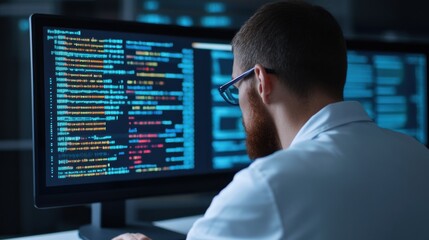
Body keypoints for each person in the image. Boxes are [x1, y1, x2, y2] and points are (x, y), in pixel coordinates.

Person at [114, 0, 429, 239]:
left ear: (261, 81)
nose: (237, 104)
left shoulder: (268, 185)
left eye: (235, 88)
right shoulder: (418, 156)